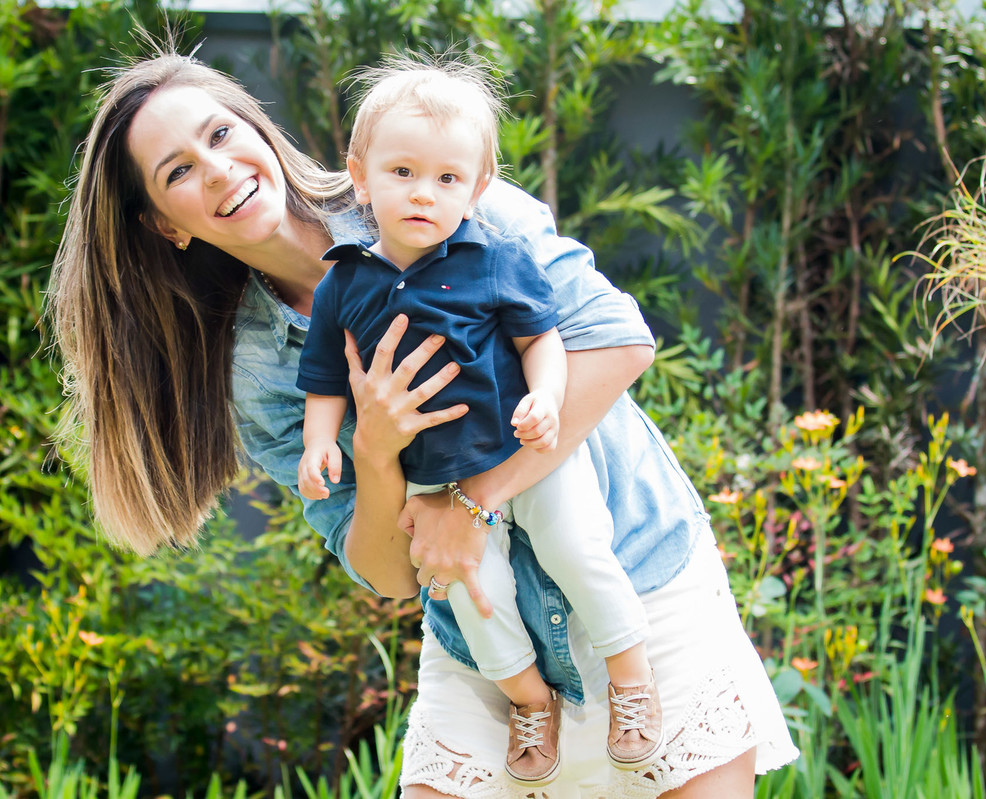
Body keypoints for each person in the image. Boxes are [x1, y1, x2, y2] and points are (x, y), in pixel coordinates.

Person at [48, 44, 798, 799]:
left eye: (218, 134)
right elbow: (386, 571)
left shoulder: (440, 186)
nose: (216, 169)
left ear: (259, 131)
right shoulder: (257, 368)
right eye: (176, 171)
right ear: (163, 224)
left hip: (636, 583)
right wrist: (374, 451)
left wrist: (471, 501)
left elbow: (618, 343)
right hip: (484, 641)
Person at [296, 58, 661, 786]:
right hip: (438, 482)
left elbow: (542, 340)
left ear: (477, 188)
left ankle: (631, 674)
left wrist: (547, 397)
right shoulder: (344, 278)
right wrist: (316, 443)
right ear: (360, 177)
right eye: (402, 172)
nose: (423, 193)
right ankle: (531, 699)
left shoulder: (496, 258)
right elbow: (326, 376)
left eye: (447, 179)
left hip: (527, 451)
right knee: (470, 587)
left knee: (575, 546)